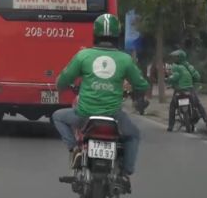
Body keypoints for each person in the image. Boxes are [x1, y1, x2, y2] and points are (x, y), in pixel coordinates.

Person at [52, 14, 149, 186]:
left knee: (58, 116)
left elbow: (63, 80)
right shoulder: (125, 59)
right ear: (116, 36)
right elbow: (141, 84)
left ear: (95, 35)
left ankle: (75, 149)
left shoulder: (83, 56)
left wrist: (61, 85)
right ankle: (126, 171)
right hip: (113, 116)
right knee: (133, 135)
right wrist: (136, 90)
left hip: (84, 115)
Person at [165, 49, 207, 131]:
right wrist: (192, 82)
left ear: (180, 58)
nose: (174, 59)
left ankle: (170, 126)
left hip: (179, 90)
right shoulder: (189, 66)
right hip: (190, 89)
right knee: (198, 104)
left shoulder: (176, 67)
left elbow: (174, 77)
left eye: (176, 57)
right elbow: (197, 76)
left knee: (172, 107)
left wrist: (168, 79)